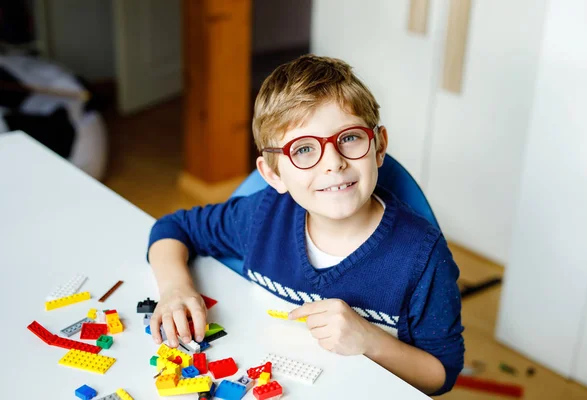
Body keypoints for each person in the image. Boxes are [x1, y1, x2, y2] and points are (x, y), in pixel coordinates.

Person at [147, 54, 464, 395]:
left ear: (379, 146)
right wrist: (175, 289)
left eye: (349, 138)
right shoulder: (263, 216)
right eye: (303, 149)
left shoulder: (423, 257)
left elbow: (441, 373)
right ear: (272, 173)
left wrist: (369, 340)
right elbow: (173, 228)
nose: (333, 163)